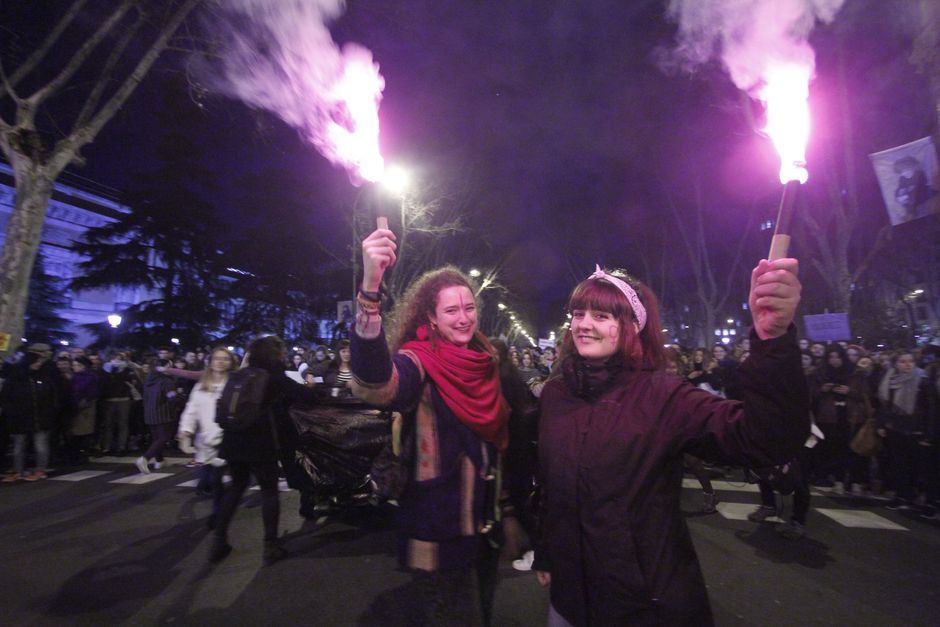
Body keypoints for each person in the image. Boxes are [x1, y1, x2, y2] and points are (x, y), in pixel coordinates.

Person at [533, 259, 807, 626]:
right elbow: (553, 489)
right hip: (568, 601)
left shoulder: (664, 397)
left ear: (632, 327)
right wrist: (547, 554)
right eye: (579, 313)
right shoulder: (556, 394)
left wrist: (773, 342)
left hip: (644, 603)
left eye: (601, 316)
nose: (583, 324)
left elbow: (763, 439)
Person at [351, 226, 509, 626]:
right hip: (439, 527)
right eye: (451, 311)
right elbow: (376, 384)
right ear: (431, 318)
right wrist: (370, 286)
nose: (463, 318)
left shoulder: (486, 361)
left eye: (469, 308)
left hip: (485, 525)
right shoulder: (418, 361)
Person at [210, 335, 321, 565]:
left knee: (236, 488)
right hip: (260, 442)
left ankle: (218, 540)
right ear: (275, 355)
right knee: (269, 492)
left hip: (233, 440)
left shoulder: (240, 375)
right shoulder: (274, 377)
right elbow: (308, 397)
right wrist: (311, 387)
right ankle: (271, 545)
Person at [177, 347, 236, 527]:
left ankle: (218, 513)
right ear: (211, 362)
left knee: (218, 478)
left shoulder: (234, 384)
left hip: (228, 437)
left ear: (231, 362)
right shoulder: (201, 386)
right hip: (207, 439)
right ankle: (220, 509)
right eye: (217, 358)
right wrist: (186, 430)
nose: (220, 362)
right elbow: (191, 410)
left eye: (225, 358)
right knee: (212, 478)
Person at [0, 344, 59, 482]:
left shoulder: (43, 377)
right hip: (20, 417)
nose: (38, 364)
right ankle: (18, 470)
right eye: (36, 362)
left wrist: (50, 410)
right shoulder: (16, 379)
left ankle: (40, 470)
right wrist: (11, 411)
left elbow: (51, 395)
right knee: (19, 445)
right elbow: (6, 397)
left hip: (40, 417)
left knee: (40, 445)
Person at [135, 359, 179, 474]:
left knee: (156, 439)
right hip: (163, 413)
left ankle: (160, 460)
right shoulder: (166, 381)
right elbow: (172, 398)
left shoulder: (149, 380)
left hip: (150, 413)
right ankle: (145, 458)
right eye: (169, 367)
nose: (171, 369)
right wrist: (180, 398)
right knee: (163, 438)